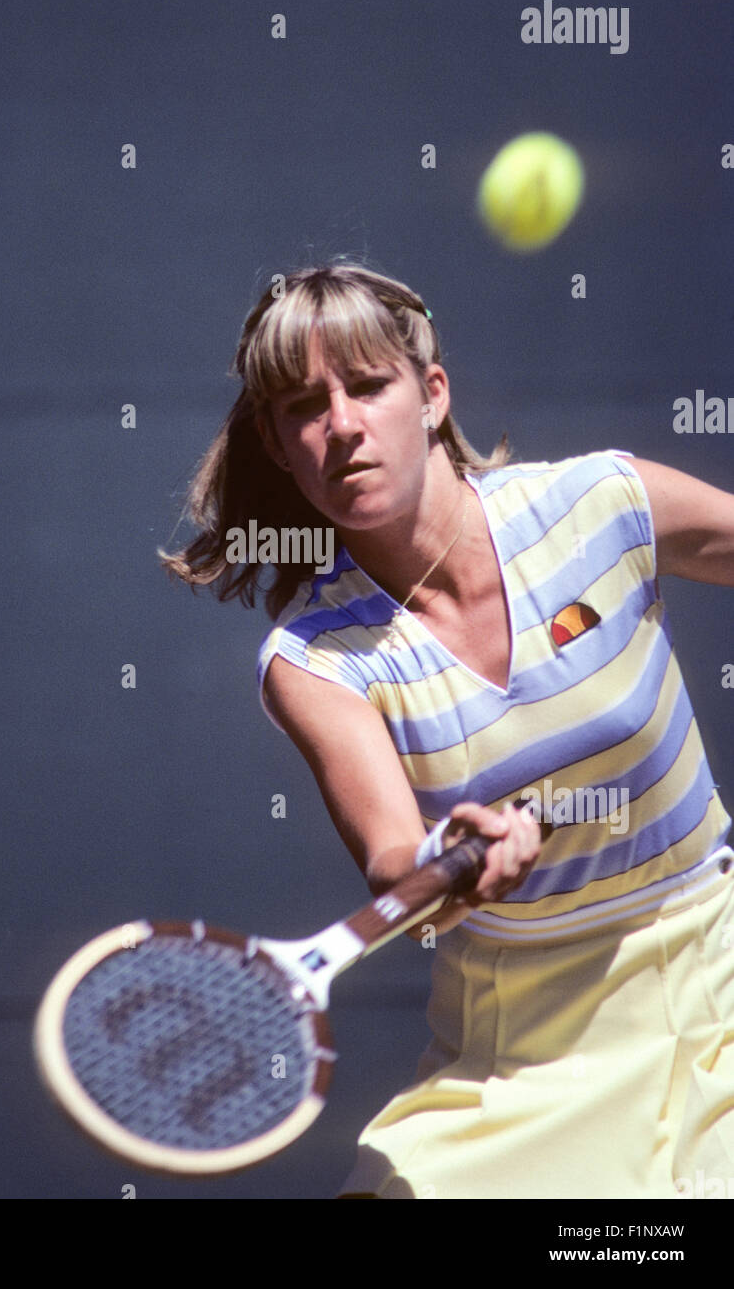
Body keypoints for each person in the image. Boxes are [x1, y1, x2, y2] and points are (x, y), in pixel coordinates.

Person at [161, 261, 734, 1199]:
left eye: (369, 385)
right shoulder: (314, 661)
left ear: (431, 396)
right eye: (306, 406)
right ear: (277, 443)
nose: (343, 425)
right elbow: (394, 861)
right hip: (526, 1046)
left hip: (719, 958)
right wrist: (447, 855)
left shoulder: (602, 504)